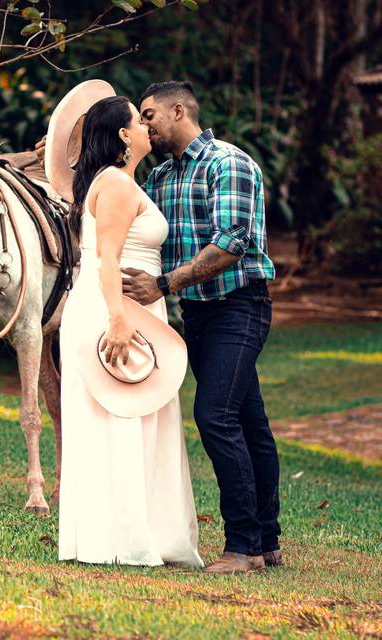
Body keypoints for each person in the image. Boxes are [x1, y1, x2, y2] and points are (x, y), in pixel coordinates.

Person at [122, 81, 280, 574]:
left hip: (240, 307)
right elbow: (128, 215)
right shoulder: (162, 177)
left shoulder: (226, 163)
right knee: (250, 423)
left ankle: (242, 547)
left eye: (149, 115)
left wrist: (164, 283)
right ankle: (266, 542)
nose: (144, 125)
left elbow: (232, 241)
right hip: (198, 315)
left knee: (215, 416)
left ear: (177, 110)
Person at [45, 81, 203, 568]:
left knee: (136, 421)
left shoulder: (124, 181)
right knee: (119, 421)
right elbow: (106, 258)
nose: (146, 126)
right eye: (139, 120)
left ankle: (141, 534)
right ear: (122, 135)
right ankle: (121, 540)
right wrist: (117, 319)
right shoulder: (113, 184)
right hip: (112, 308)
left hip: (131, 308)